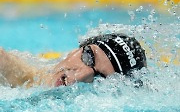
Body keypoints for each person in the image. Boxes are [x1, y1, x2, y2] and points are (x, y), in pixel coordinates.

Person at [0, 33, 147, 88]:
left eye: (100, 79)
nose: (80, 76)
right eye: (88, 57)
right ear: (74, 51)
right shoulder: (6, 67)